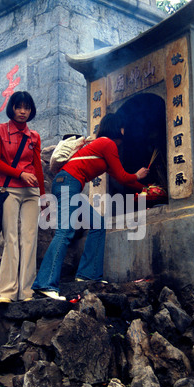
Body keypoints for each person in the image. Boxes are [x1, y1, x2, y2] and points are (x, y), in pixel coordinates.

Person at [32, 112, 149, 300]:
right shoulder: (107, 144)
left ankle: (88, 275)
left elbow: (121, 177)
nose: (125, 131)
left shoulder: (102, 147)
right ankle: (45, 284)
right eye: (123, 127)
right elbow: (124, 175)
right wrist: (138, 176)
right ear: (118, 128)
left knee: (97, 224)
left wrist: (146, 189)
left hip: (68, 185)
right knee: (65, 231)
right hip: (67, 184)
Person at [0, 91, 45, 303]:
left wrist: (43, 196)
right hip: (8, 189)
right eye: (19, 107)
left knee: (30, 239)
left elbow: (38, 166)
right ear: (12, 108)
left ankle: (27, 291)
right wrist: (20, 173)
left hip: (31, 192)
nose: (23, 111)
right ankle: (6, 292)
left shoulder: (34, 136)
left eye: (27, 108)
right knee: (11, 239)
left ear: (31, 111)